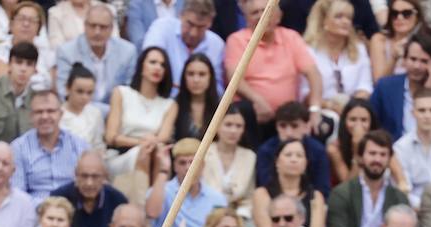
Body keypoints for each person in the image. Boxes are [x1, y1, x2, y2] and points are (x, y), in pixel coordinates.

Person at [225, 0, 323, 141]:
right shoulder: (237, 40)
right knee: (245, 111)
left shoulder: (292, 37)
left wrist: (315, 108)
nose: (261, 16)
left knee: (317, 125)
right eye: (255, 12)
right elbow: (234, 79)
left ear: (279, 16)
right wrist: (258, 100)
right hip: (255, 113)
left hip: (288, 114)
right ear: (246, 18)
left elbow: (313, 74)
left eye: (266, 11)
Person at [103, 47, 177, 197]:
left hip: (153, 153)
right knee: (145, 151)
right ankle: (142, 207)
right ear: (141, 66)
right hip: (120, 154)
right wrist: (141, 143)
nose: (157, 67)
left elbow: (163, 138)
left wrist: (148, 145)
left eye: (162, 65)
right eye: (153, 62)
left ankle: (155, 205)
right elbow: (111, 137)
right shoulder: (121, 93)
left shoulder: (169, 104)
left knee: (157, 151)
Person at [326, 129, 408, 227]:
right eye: (372, 153)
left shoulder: (399, 198)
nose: (377, 159)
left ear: (389, 159)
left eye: (383, 154)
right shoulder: (342, 194)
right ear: (360, 157)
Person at [369, 31, 431, 142]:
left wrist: (430, 88)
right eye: (413, 59)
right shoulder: (385, 87)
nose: (417, 66)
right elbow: (371, 125)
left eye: (424, 61)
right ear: (405, 60)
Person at [53, 3, 135, 112]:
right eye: (93, 26)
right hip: (80, 114)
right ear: (85, 26)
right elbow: (64, 93)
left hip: (118, 115)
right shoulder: (67, 52)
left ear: (111, 29)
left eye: (103, 27)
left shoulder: (128, 51)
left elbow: (130, 92)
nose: (97, 32)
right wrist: (107, 111)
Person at [10, 91, 87, 204]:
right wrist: (47, 209)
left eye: (50, 111)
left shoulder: (79, 145)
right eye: (39, 112)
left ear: (61, 114)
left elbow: (87, 187)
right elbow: (17, 193)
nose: (45, 116)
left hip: (73, 213)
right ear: (31, 116)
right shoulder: (18, 148)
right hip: (33, 214)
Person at [148, 137, 228, 227]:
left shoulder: (218, 199)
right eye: (182, 163)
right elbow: (152, 213)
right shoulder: (162, 190)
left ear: (203, 165)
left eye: (193, 162)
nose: (188, 167)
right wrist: (163, 170)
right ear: (175, 166)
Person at [253, 133, 328, 227]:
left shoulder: (315, 196)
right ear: (277, 161)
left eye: (299, 155)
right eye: (288, 155)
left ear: (306, 163)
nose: (294, 160)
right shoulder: (262, 194)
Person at [143, 0, 226, 96]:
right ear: (181, 15)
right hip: (161, 99)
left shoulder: (217, 44)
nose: (193, 33)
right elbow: (147, 68)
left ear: (210, 23)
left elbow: (217, 89)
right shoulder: (162, 28)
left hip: (199, 106)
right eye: (190, 24)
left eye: (201, 27)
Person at [51, 151, 126, 227]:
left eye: (95, 176)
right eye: (84, 176)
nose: (89, 183)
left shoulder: (117, 200)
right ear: (76, 175)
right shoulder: (60, 198)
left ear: (105, 177)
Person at [305, 0, 373, 115]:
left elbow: (365, 86)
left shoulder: (359, 48)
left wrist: (351, 107)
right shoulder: (308, 51)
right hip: (320, 112)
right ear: (323, 21)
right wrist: (330, 106)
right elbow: (304, 92)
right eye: (339, 17)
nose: (346, 22)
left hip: (353, 111)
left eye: (349, 18)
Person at [200, 103, 256, 227]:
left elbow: (248, 196)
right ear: (217, 126)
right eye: (228, 125)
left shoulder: (250, 156)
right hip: (205, 213)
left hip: (236, 217)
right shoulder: (203, 151)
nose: (233, 131)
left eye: (238, 126)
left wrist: (239, 217)